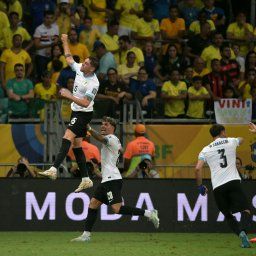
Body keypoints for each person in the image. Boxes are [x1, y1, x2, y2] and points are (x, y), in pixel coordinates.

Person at [71, 116, 159, 242]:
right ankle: (86, 235)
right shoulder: (113, 140)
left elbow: (101, 138)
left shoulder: (111, 138)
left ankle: (150, 213)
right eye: (102, 124)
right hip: (107, 179)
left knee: (117, 209)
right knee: (93, 204)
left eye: (106, 124)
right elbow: (115, 155)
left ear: (112, 128)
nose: (103, 126)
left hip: (112, 180)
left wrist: (89, 128)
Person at [39, 34, 100, 193]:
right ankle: (86, 179)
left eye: (86, 63)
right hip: (76, 111)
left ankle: (53, 169)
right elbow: (68, 58)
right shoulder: (80, 69)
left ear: (91, 68)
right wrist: (65, 41)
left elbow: (86, 103)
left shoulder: (93, 83)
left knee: (67, 137)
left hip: (84, 114)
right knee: (77, 146)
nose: (82, 64)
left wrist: (69, 95)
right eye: (84, 62)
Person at [195, 124, 252, 248]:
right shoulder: (231, 141)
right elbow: (241, 139)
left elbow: (198, 168)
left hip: (218, 187)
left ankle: (239, 234)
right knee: (246, 210)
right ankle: (243, 232)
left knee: (227, 214)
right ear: (222, 132)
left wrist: (200, 186)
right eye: (225, 131)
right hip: (233, 182)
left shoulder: (205, 149)